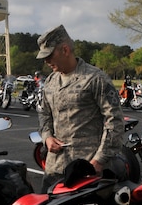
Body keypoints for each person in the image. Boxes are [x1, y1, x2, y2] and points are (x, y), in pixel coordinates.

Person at [35, 24, 124, 191]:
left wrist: (100, 160)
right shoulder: (51, 82)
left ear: (65, 50)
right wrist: (47, 137)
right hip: (55, 168)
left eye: (49, 56)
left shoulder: (95, 79)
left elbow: (115, 121)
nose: (46, 61)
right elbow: (44, 113)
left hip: (87, 170)